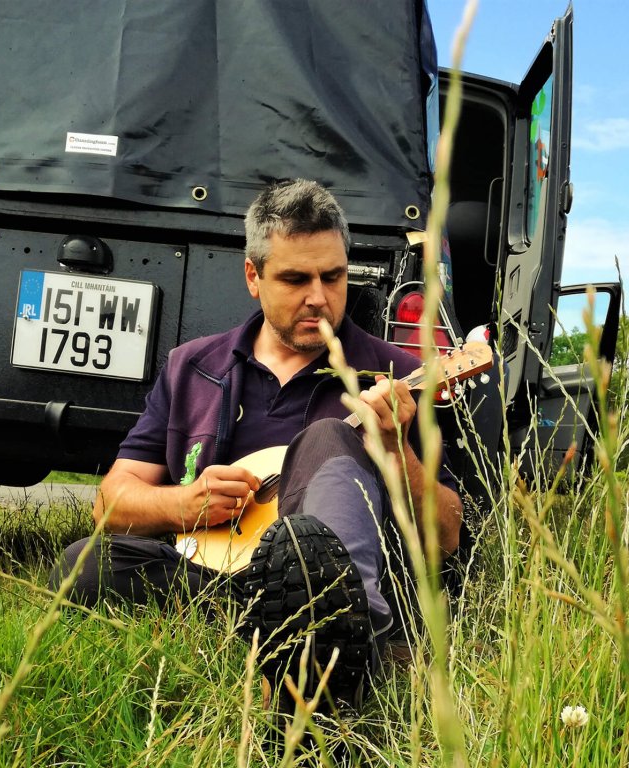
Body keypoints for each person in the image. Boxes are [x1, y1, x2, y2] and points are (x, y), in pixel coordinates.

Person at [50, 178, 463, 711]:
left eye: (333, 276)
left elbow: (447, 535)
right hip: (224, 578)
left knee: (327, 438)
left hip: (346, 587)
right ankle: (295, 644)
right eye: (295, 279)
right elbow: (110, 502)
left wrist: (394, 450)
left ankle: (331, 655)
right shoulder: (193, 367)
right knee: (82, 564)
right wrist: (182, 504)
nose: (319, 297)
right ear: (253, 276)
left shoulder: (397, 375)